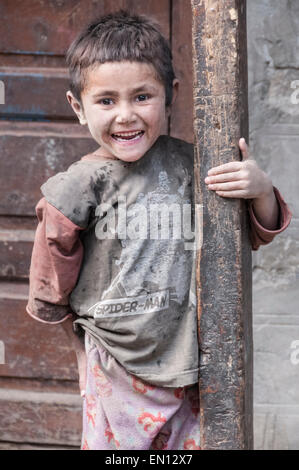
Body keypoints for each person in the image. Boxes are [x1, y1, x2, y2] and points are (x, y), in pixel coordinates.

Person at [26, 10, 292, 450]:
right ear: (78, 107)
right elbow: (50, 287)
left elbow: (255, 232)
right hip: (113, 366)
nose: (126, 116)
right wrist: (80, 354)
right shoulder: (74, 189)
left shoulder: (195, 167)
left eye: (142, 97)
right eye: (106, 101)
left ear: (170, 96)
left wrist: (260, 189)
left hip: (190, 362)